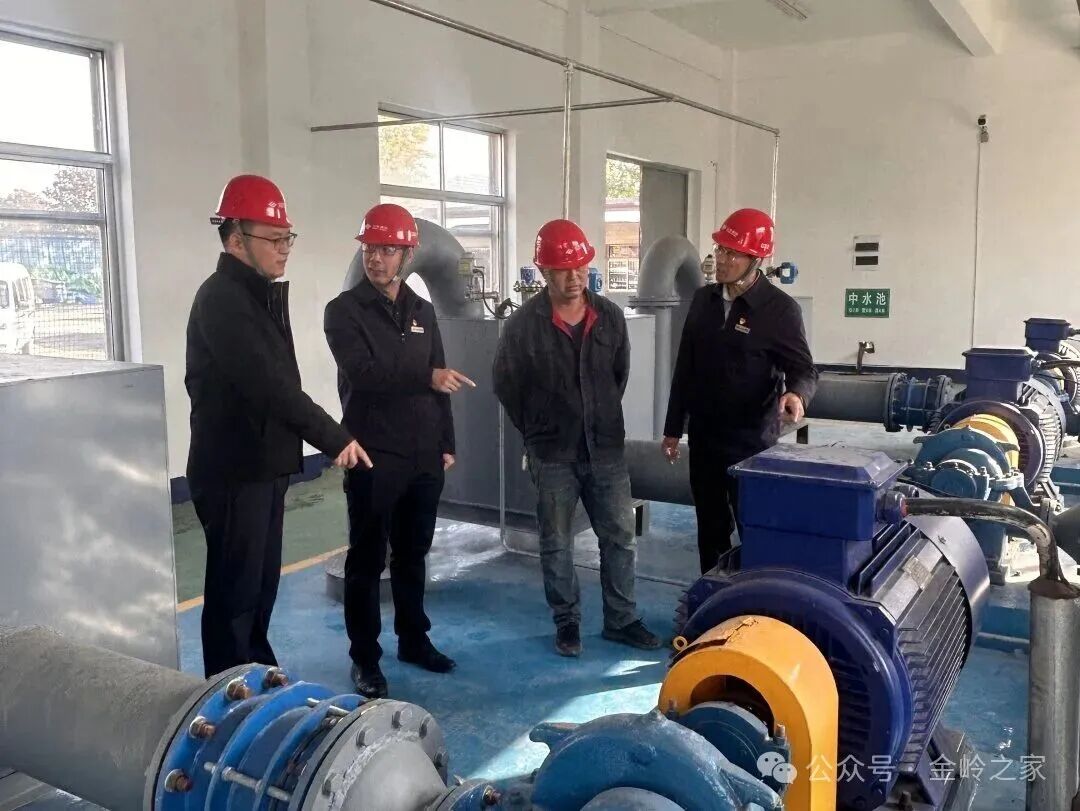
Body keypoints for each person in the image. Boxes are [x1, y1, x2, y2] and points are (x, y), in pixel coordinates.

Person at [186, 174, 371, 679]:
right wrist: (335, 438)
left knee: (260, 585)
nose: (284, 248)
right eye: (274, 238)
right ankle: (229, 690)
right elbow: (271, 388)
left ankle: (257, 672)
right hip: (233, 471)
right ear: (235, 239)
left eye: (288, 237)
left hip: (262, 466)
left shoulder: (256, 296)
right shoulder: (223, 300)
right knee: (235, 591)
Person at [324, 203, 473, 698]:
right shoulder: (344, 312)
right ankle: (365, 658)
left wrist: (446, 441)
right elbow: (365, 373)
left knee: (413, 554)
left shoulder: (422, 310)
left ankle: (414, 639)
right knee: (367, 561)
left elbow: (442, 377)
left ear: (407, 254)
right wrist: (426, 376)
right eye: (371, 248)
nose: (376, 258)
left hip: (423, 453)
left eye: (388, 249)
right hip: (373, 453)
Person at [493, 219, 660, 657]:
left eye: (581, 266)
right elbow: (507, 385)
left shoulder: (610, 317)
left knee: (619, 536)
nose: (575, 276)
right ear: (543, 271)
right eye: (563, 269)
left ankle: (621, 619)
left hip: (605, 449)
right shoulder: (522, 326)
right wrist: (536, 431)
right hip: (552, 453)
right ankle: (566, 622)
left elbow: (618, 375)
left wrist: (598, 417)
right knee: (556, 542)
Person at [661, 208, 816, 574]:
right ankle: (714, 593)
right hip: (705, 439)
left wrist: (797, 394)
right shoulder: (703, 300)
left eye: (732, 253)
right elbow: (685, 367)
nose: (722, 259)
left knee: (755, 527)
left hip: (752, 442)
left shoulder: (779, 310)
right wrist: (673, 428)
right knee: (710, 527)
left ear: (755, 259)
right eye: (720, 249)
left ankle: (757, 598)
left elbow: (804, 369)